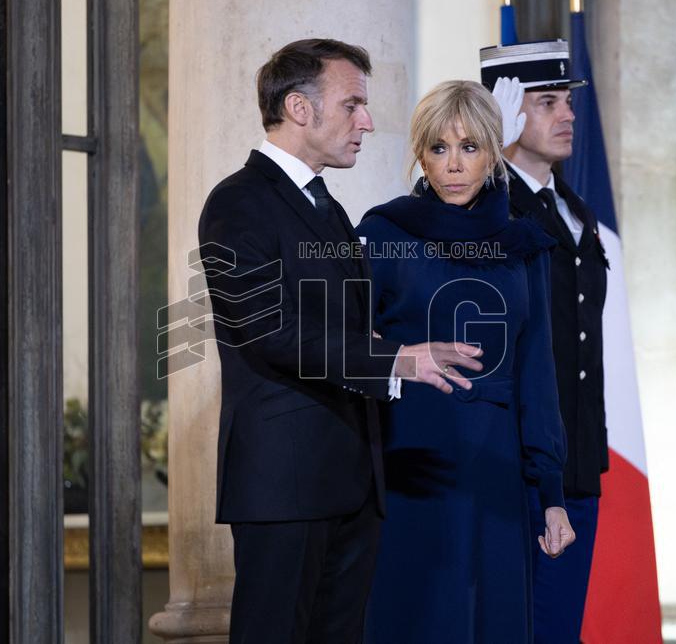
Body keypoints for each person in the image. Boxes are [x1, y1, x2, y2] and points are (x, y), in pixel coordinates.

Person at [197, 39, 484, 644]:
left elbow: (340, 326)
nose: (367, 122)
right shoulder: (238, 201)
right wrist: (396, 359)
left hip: (350, 481)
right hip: (284, 487)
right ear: (299, 109)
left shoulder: (326, 206)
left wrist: (390, 346)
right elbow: (270, 331)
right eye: (352, 104)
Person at [357, 79, 574, 644]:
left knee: (493, 621)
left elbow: (537, 374)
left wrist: (550, 495)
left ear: (494, 151)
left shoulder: (526, 245)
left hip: (498, 472)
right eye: (439, 148)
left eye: (470, 147)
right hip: (409, 464)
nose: (453, 165)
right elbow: (344, 349)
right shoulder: (383, 233)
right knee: (415, 620)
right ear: (420, 154)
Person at [481, 39, 610, 643]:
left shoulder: (575, 209)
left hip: (575, 453)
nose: (568, 115)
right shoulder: (488, 206)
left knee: (560, 628)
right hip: (514, 459)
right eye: (547, 102)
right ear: (507, 110)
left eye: (569, 102)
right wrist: (486, 152)